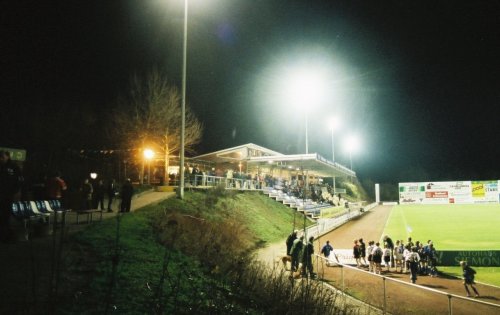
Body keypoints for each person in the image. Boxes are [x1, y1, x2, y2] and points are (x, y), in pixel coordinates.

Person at [0, 150, 22, 242]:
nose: (0, 159)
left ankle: (6, 236)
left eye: (2, 157)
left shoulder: (14, 167)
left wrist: (15, 192)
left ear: (7, 156)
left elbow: (19, 181)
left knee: (6, 215)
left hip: (8, 196)